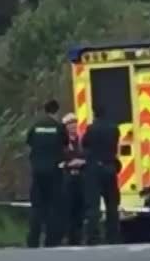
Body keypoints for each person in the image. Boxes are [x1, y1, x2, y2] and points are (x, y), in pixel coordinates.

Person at [26, 99, 67, 248]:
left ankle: (33, 240)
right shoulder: (59, 127)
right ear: (56, 111)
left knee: (37, 206)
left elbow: (29, 142)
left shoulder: (35, 126)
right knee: (53, 206)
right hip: (54, 172)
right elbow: (65, 144)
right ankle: (51, 240)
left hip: (37, 171)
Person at [82, 104, 121, 245]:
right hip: (110, 167)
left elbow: (85, 144)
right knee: (112, 204)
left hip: (95, 169)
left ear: (94, 114)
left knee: (93, 205)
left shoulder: (92, 129)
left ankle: (93, 237)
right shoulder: (114, 129)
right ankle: (113, 236)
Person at [58, 113, 87, 245]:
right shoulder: (62, 143)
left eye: (75, 124)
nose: (73, 127)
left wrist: (82, 161)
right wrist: (69, 163)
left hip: (81, 178)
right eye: (70, 125)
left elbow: (87, 155)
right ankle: (68, 237)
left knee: (80, 209)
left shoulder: (81, 141)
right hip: (67, 178)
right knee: (67, 209)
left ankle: (79, 236)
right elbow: (59, 161)